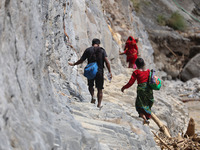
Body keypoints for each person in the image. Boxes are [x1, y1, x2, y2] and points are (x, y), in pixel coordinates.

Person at [68, 38, 112, 108]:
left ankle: (93, 96)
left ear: (92, 44)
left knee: (90, 85)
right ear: (99, 44)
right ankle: (99, 104)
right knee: (100, 89)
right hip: (99, 71)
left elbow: (81, 60)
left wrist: (74, 64)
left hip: (90, 71)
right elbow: (107, 62)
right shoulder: (102, 50)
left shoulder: (88, 50)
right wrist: (109, 72)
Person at [121, 58, 154, 125]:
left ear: (136, 65)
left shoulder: (136, 72)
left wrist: (124, 87)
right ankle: (147, 118)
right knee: (147, 104)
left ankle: (144, 119)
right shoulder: (148, 71)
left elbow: (131, 83)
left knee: (139, 105)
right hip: (149, 90)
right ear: (144, 64)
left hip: (141, 90)